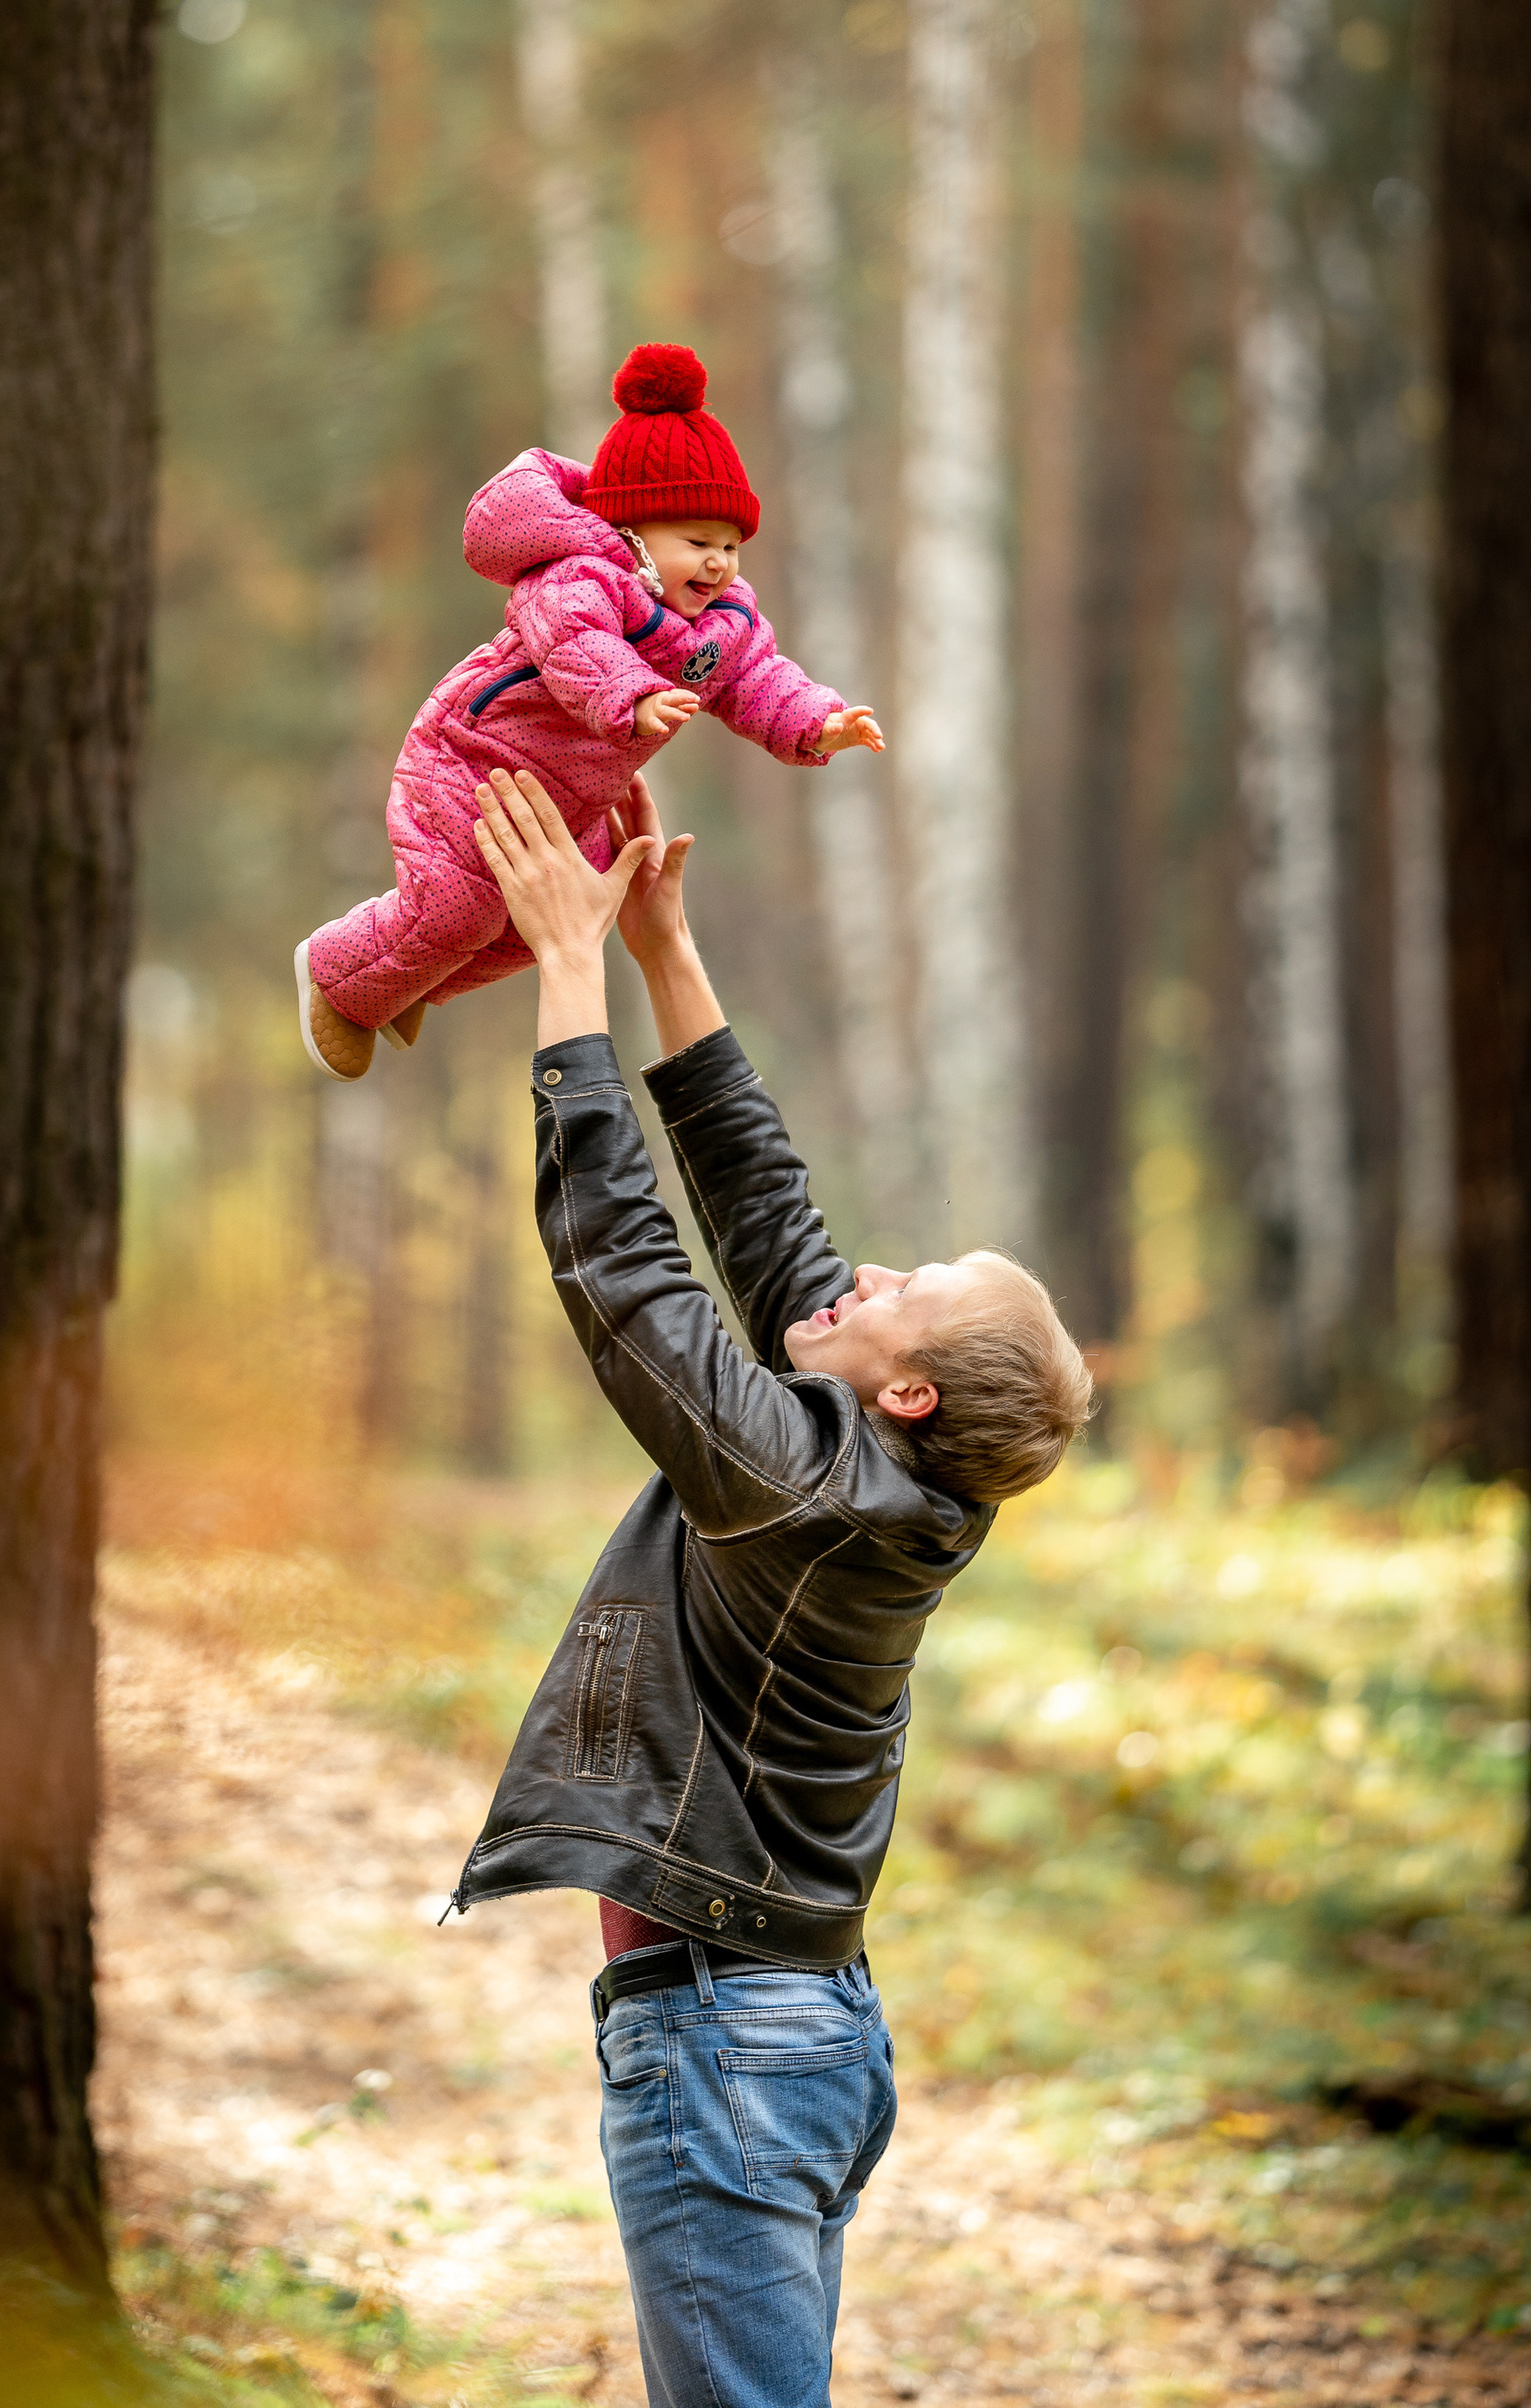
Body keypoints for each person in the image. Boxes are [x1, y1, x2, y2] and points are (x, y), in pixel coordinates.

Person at [449, 764, 1094, 2408]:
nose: (865, 1272)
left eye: (910, 1287)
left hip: (730, 2046)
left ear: (909, 1392)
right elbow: (766, 1221)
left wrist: (566, 966)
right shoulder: (885, 1476)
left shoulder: (804, 1482)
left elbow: (628, 1276)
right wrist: (667, 949)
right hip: (799, 2031)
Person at [293, 342, 885, 1078]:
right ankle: (338, 978)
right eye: (697, 542)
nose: (718, 565)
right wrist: (631, 697)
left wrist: (817, 723)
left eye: (731, 546)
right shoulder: (579, 578)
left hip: (572, 801)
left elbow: (757, 678)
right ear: (634, 534)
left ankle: (409, 974)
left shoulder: (720, 624)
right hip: (474, 761)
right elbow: (573, 646)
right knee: (463, 908)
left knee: (565, 921)